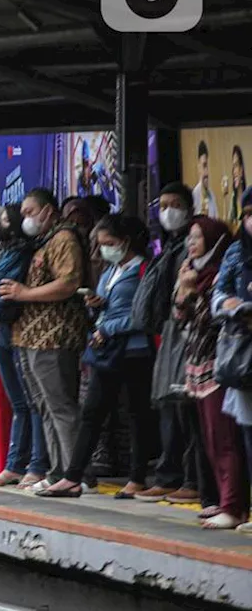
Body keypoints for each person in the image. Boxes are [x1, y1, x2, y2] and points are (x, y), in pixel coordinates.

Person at [37, 215, 154, 499]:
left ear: (126, 241)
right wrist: (95, 308)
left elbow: (142, 316)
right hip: (106, 351)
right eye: (101, 244)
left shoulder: (144, 271)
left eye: (109, 243)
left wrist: (107, 328)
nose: (104, 249)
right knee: (92, 412)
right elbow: (106, 311)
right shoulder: (109, 272)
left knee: (136, 413)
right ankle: (73, 476)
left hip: (133, 350)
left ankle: (137, 477)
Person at [0, 187, 90, 491]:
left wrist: (25, 294)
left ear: (48, 211)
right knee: (44, 405)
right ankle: (56, 470)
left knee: (60, 405)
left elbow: (68, 282)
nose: (26, 219)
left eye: (30, 212)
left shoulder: (64, 238)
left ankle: (73, 473)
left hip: (54, 336)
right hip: (30, 335)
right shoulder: (42, 241)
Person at [138, 182, 209, 504]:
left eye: (174, 204)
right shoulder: (170, 247)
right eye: (162, 204)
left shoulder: (191, 250)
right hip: (169, 332)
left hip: (189, 337)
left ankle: (191, 479)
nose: (167, 211)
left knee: (186, 409)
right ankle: (171, 475)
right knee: (170, 405)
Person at [175, 215, 245, 529]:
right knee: (209, 439)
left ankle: (234, 504)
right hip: (197, 365)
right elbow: (179, 318)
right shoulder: (195, 274)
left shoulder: (218, 275)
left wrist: (193, 290)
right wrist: (183, 290)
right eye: (189, 237)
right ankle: (221, 499)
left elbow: (211, 319)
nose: (191, 243)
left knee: (225, 438)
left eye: (197, 237)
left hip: (221, 363)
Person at [0, 205, 47, 488]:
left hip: (21, 328)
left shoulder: (24, 253)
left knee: (32, 402)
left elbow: (3, 289)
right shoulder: (6, 252)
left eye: (7, 220)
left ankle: (36, 464)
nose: (2, 225)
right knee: (19, 402)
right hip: (2, 329)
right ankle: (15, 464)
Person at [211, 187, 252, 534]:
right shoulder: (238, 251)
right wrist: (236, 307)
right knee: (248, 433)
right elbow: (219, 296)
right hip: (245, 357)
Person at [193, 140, 219, 218]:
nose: (207, 172)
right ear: (199, 167)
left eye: (208, 167)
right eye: (204, 166)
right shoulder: (194, 196)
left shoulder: (212, 195)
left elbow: (217, 220)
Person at [226, 145, 246, 224]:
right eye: (233, 167)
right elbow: (229, 225)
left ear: (241, 170)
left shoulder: (249, 198)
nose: (234, 172)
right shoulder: (233, 198)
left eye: (236, 165)